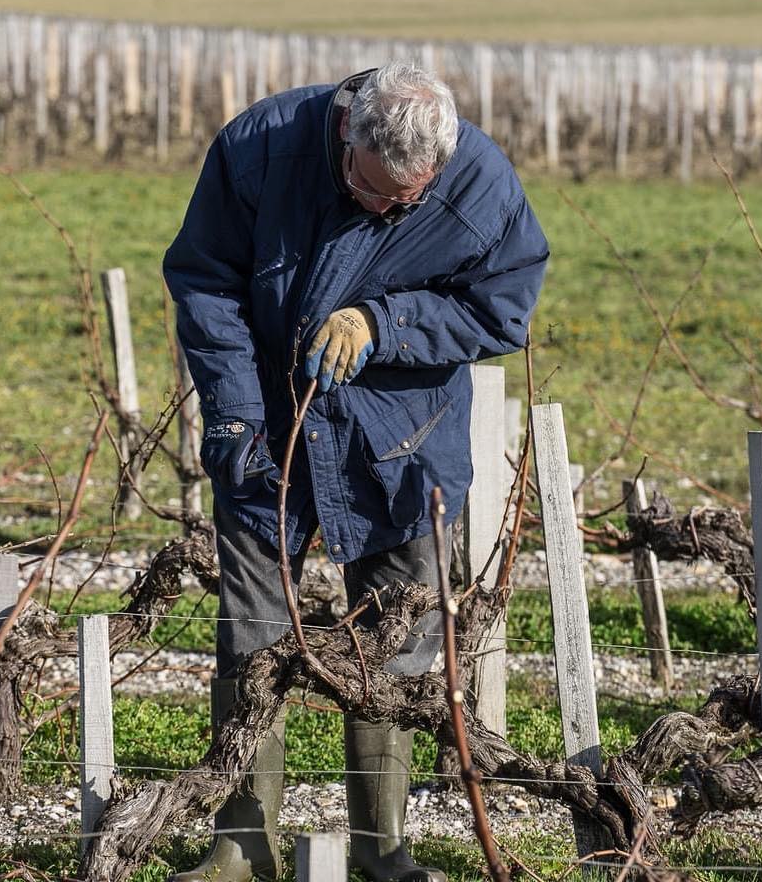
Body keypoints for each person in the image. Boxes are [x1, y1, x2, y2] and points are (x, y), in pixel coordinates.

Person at [163, 62, 548, 882]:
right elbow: (205, 281)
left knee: (396, 642)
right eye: (367, 188)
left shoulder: (479, 183)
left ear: (438, 166)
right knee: (252, 633)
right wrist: (234, 414)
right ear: (346, 136)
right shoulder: (261, 148)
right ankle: (242, 845)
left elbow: (501, 308)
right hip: (267, 427)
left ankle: (382, 848)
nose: (380, 207)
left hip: (400, 440)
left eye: (402, 201)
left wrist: (386, 322)